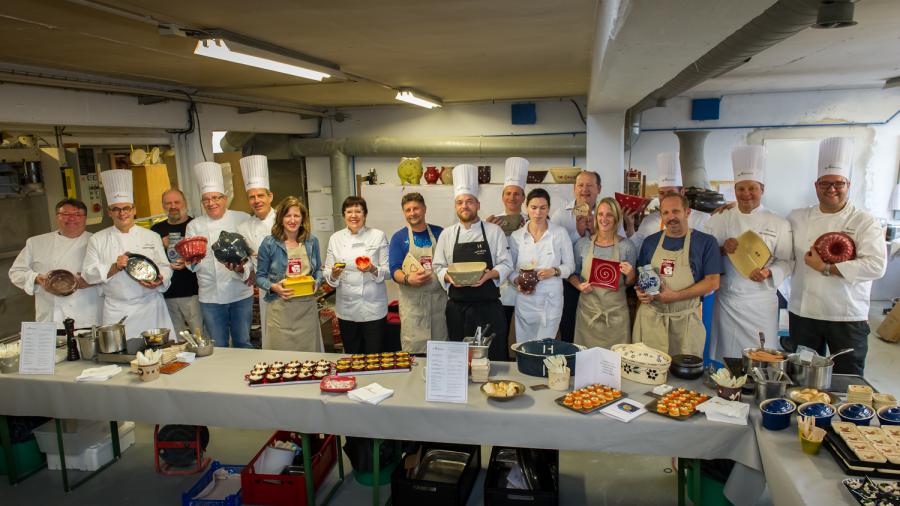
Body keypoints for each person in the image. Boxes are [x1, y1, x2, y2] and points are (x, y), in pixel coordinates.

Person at [787, 137, 887, 374]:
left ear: (848, 184)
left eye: (838, 183)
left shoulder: (864, 221)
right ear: (816, 185)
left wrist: (826, 268)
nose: (831, 189)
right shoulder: (797, 217)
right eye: (825, 183)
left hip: (847, 316)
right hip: (804, 313)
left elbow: (876, 266)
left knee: (847, 378)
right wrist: (731, 209)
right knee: (802, 376)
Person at [704, 146, 793, 361]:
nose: (746, 194)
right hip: (727, 301)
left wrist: (769, 272)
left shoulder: (778, 222)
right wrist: (722, 249)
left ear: (762, 189)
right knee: (728, 358)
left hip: (761, 302)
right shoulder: (720, 218)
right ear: (734, 190)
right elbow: (703, 254)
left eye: (752, 188)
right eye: (741, 189)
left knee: (761, 356)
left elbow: (788, 261)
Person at [433, 164, 513, 360]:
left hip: (488, 308)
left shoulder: (494, 231)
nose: (464, 206)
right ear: (455, 206)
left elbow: (506, 264)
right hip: (457, 309)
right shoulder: (447, 234)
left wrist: (489, 275)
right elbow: (438, 266)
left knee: (493, 358)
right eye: (460, 202)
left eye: (469, 201)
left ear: (477, 204)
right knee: (460, 360)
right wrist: (449, 278)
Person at [82, 170, 173, 338]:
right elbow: (88, 274)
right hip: (117, 309)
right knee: (121, 351)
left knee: (159, 350)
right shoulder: (97, 239)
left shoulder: (152, 236)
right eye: (116, 209)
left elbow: (165, 266)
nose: (122, 213)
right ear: (109, 212)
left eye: (126, 208)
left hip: (150, 306)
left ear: (134, 210)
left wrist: (160, 279)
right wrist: (114, 267)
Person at [633, 192, 722, 356]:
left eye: (675, 211)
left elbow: (713, 282)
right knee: (649, 367)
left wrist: (675, 296)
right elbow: (642, 277)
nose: (671, 217)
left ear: (687, 212)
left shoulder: (706, 243)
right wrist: (641, 292)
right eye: (665, 213)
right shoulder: (650, 242)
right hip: (652, 321)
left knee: (683, 370)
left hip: (685, 323)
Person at [185, 161, 254, 348]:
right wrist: (191, 261)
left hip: (240, 292)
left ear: (224, 198)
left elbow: (251, 254)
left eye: (216, 198)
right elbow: (191, 264)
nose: (211, 203)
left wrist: (243, 269)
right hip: (210, 296)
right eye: (206, 199)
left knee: (243, 342)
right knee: (218, 346)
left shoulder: (242, 218)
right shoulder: (194, 226)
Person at [9, 198, 102, 329]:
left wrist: (93, 281)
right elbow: (16, 272)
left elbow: (112, 275)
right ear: (57, 217)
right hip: (50, 319)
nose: (71, 218)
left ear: (85, 218)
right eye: (65, 214)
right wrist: (37, 278)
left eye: (77, 214)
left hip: (88, 318)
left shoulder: (98, 241)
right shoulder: (36, 243)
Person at [255, 197, 324, 351]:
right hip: (280, 310)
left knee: (308, 358)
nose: (292, 220)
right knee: (282, 358)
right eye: (288, 215)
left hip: (306, 310)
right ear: (281, 218)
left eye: (296, 215)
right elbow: (259, 277)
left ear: (302, 219)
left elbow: (318, 270)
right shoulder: (269, 243)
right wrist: (273, 287)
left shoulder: (311, 241)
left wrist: (317, 281)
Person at [324, 196, 390, 354]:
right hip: (347, 309)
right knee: (352, 356)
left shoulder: (378, 235)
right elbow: (327, 271)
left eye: (358, 211)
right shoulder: (335, 238)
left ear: (365, 214)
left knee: (374, 357)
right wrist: (334, 274)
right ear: (344, 215)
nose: (353, 215)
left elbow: (388, 271)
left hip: (373, 307)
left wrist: (372, 269)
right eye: (349, 211)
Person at [571, 197, 638, 348]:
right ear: (595, 217)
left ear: (617, 218)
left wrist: (631, 274)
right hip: (587, 315)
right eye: (600, 214)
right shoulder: (582, 244)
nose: (604, 219)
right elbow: (572, 274)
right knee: (586, 358)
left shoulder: (627, 247)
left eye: (609, 215)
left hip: (616, 317)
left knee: (615, 360)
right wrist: (579, 286)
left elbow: (630, 283)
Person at [508, 188, 574, 341]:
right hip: (525, 299)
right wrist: (518, 281)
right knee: (524, 346)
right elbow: (509, 269)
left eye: (543, 208)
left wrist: (555, 271)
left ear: (548, 209)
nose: (538, 213)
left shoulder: (559, 233)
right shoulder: (517, 236)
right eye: (534, 207)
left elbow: (570, 266)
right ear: (526, 208)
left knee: (545, 346)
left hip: (551, 301)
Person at [388, 193, 448, 354]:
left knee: (440, 352)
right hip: (412, 306)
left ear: (424, 209)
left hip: (438, 305)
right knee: (414, 355)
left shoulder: (440, 233)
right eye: (407, 210)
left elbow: (449, 263)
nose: (412, 213)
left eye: (416, 208)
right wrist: (408, 279)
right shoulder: (399, 237)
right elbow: (394, 269)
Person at [550, 170, 601, 343]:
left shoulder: (606, 212)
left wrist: (595, 233)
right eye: (580, 185)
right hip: (569, 282)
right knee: (569, 328)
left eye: (589, 185)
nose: (584, 190)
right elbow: (553, 251)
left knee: (595, 330)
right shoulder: (560, 215)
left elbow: (619, 242)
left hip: (599, 281)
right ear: (574, 189)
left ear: (599, 189)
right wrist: (578, 233)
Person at [626, 152, 711, 252]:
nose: (666, 197)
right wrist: (630, 225)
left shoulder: (703, 220)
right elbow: (636, 249)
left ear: (682, 192)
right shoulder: (649, 221)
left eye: (671, 192)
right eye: (661, 193)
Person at [485, 157, 529, 342]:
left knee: (525, 334)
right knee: (500, 333)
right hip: (502, 287)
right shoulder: (492, 221)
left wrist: (527, 229)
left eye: (517, 194)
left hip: (526, 284)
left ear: (523, 197)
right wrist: (488, 230)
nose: (512, 197)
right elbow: (485, 254)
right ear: (502, 197)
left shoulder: (532, 220)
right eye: (508, 193)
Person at [236, 155, 276, 346]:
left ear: (270, 196)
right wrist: (239, 268)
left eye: (260, 195)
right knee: (271, 334)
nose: (256, 200)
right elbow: (248, 265)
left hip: (290, 285)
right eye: (252, 197)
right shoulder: (244, 227)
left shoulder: (285, 220)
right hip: (265, 289)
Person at [151, 189, 202, 335]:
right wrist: (161, 246)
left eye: (177, 202)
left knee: (199, 334)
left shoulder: (195, 226)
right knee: (175, 338)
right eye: (168, 203)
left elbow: (203, 257)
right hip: (166, 293)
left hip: (193, 292)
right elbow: (150, 260)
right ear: (163, 206)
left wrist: (186, 258)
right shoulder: (155, 230)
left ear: (185, 203)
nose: (173, 206)